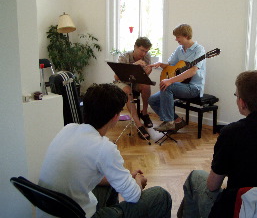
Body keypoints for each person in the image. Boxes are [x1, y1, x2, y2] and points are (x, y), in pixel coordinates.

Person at [177, 71, 257, 218]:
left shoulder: (231, 133)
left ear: (242, 103)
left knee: (195, 177)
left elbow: (212, 185)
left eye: (236, 96)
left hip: (242, 210)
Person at [37, 83, 172, 218]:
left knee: (112, 184)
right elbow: (134, 196)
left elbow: (86, 173)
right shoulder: (104, 148)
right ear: (115, 117)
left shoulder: (68, 129)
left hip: (51, 210)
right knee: (160, 195)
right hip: (78, 214)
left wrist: (124, 178)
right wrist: (138, 181)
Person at [148, 24, 206, 132]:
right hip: (179, 85)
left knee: (167, 86)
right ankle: (177, 121)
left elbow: (193, 71)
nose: (176, 39)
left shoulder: (199, 50)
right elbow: (170, 65)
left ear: (186, 36)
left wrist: (170, 81)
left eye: (178, 37)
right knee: (152, 100)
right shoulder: (179, 49)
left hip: (194, 88)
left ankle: (169, 122)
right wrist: (161, 64)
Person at [114, 37, 154, 140]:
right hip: (121, 82)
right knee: (128, 90)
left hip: (136, 82)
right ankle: (138, 124)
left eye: (146, 51)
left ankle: (144, 113)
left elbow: (144, 77)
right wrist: (133, 66)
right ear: (135, 47)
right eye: (142, 50)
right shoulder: (124, 57)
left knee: (146, 85)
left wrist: (147, 72)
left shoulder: (147, 57)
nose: (144, 54)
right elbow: (117, 77)